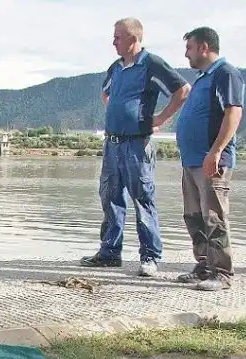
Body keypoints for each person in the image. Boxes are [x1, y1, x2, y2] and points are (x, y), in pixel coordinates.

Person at [80, 17, 190, 277]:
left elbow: (183, 89)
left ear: (133, 38)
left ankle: (150, 257)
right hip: (112, 143)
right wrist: (119, 111)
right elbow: (106, 93)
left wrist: (160, 119)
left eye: (117, 37)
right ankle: (109, 253)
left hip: (137, 145)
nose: (113, 42)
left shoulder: (151, 64)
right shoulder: (116, 67)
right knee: (110, 197)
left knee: (143, 199)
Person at [175, 27, 245, 291]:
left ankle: (222, 273)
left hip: (211, 160)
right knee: (194, 216)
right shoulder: (202, 77)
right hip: (191, 161)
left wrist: (215, 152)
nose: (186, 54)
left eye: (189, 48)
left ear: (204, 47)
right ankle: (204, 265)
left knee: (214, 217)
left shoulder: (225, 73)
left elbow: (233, 113)